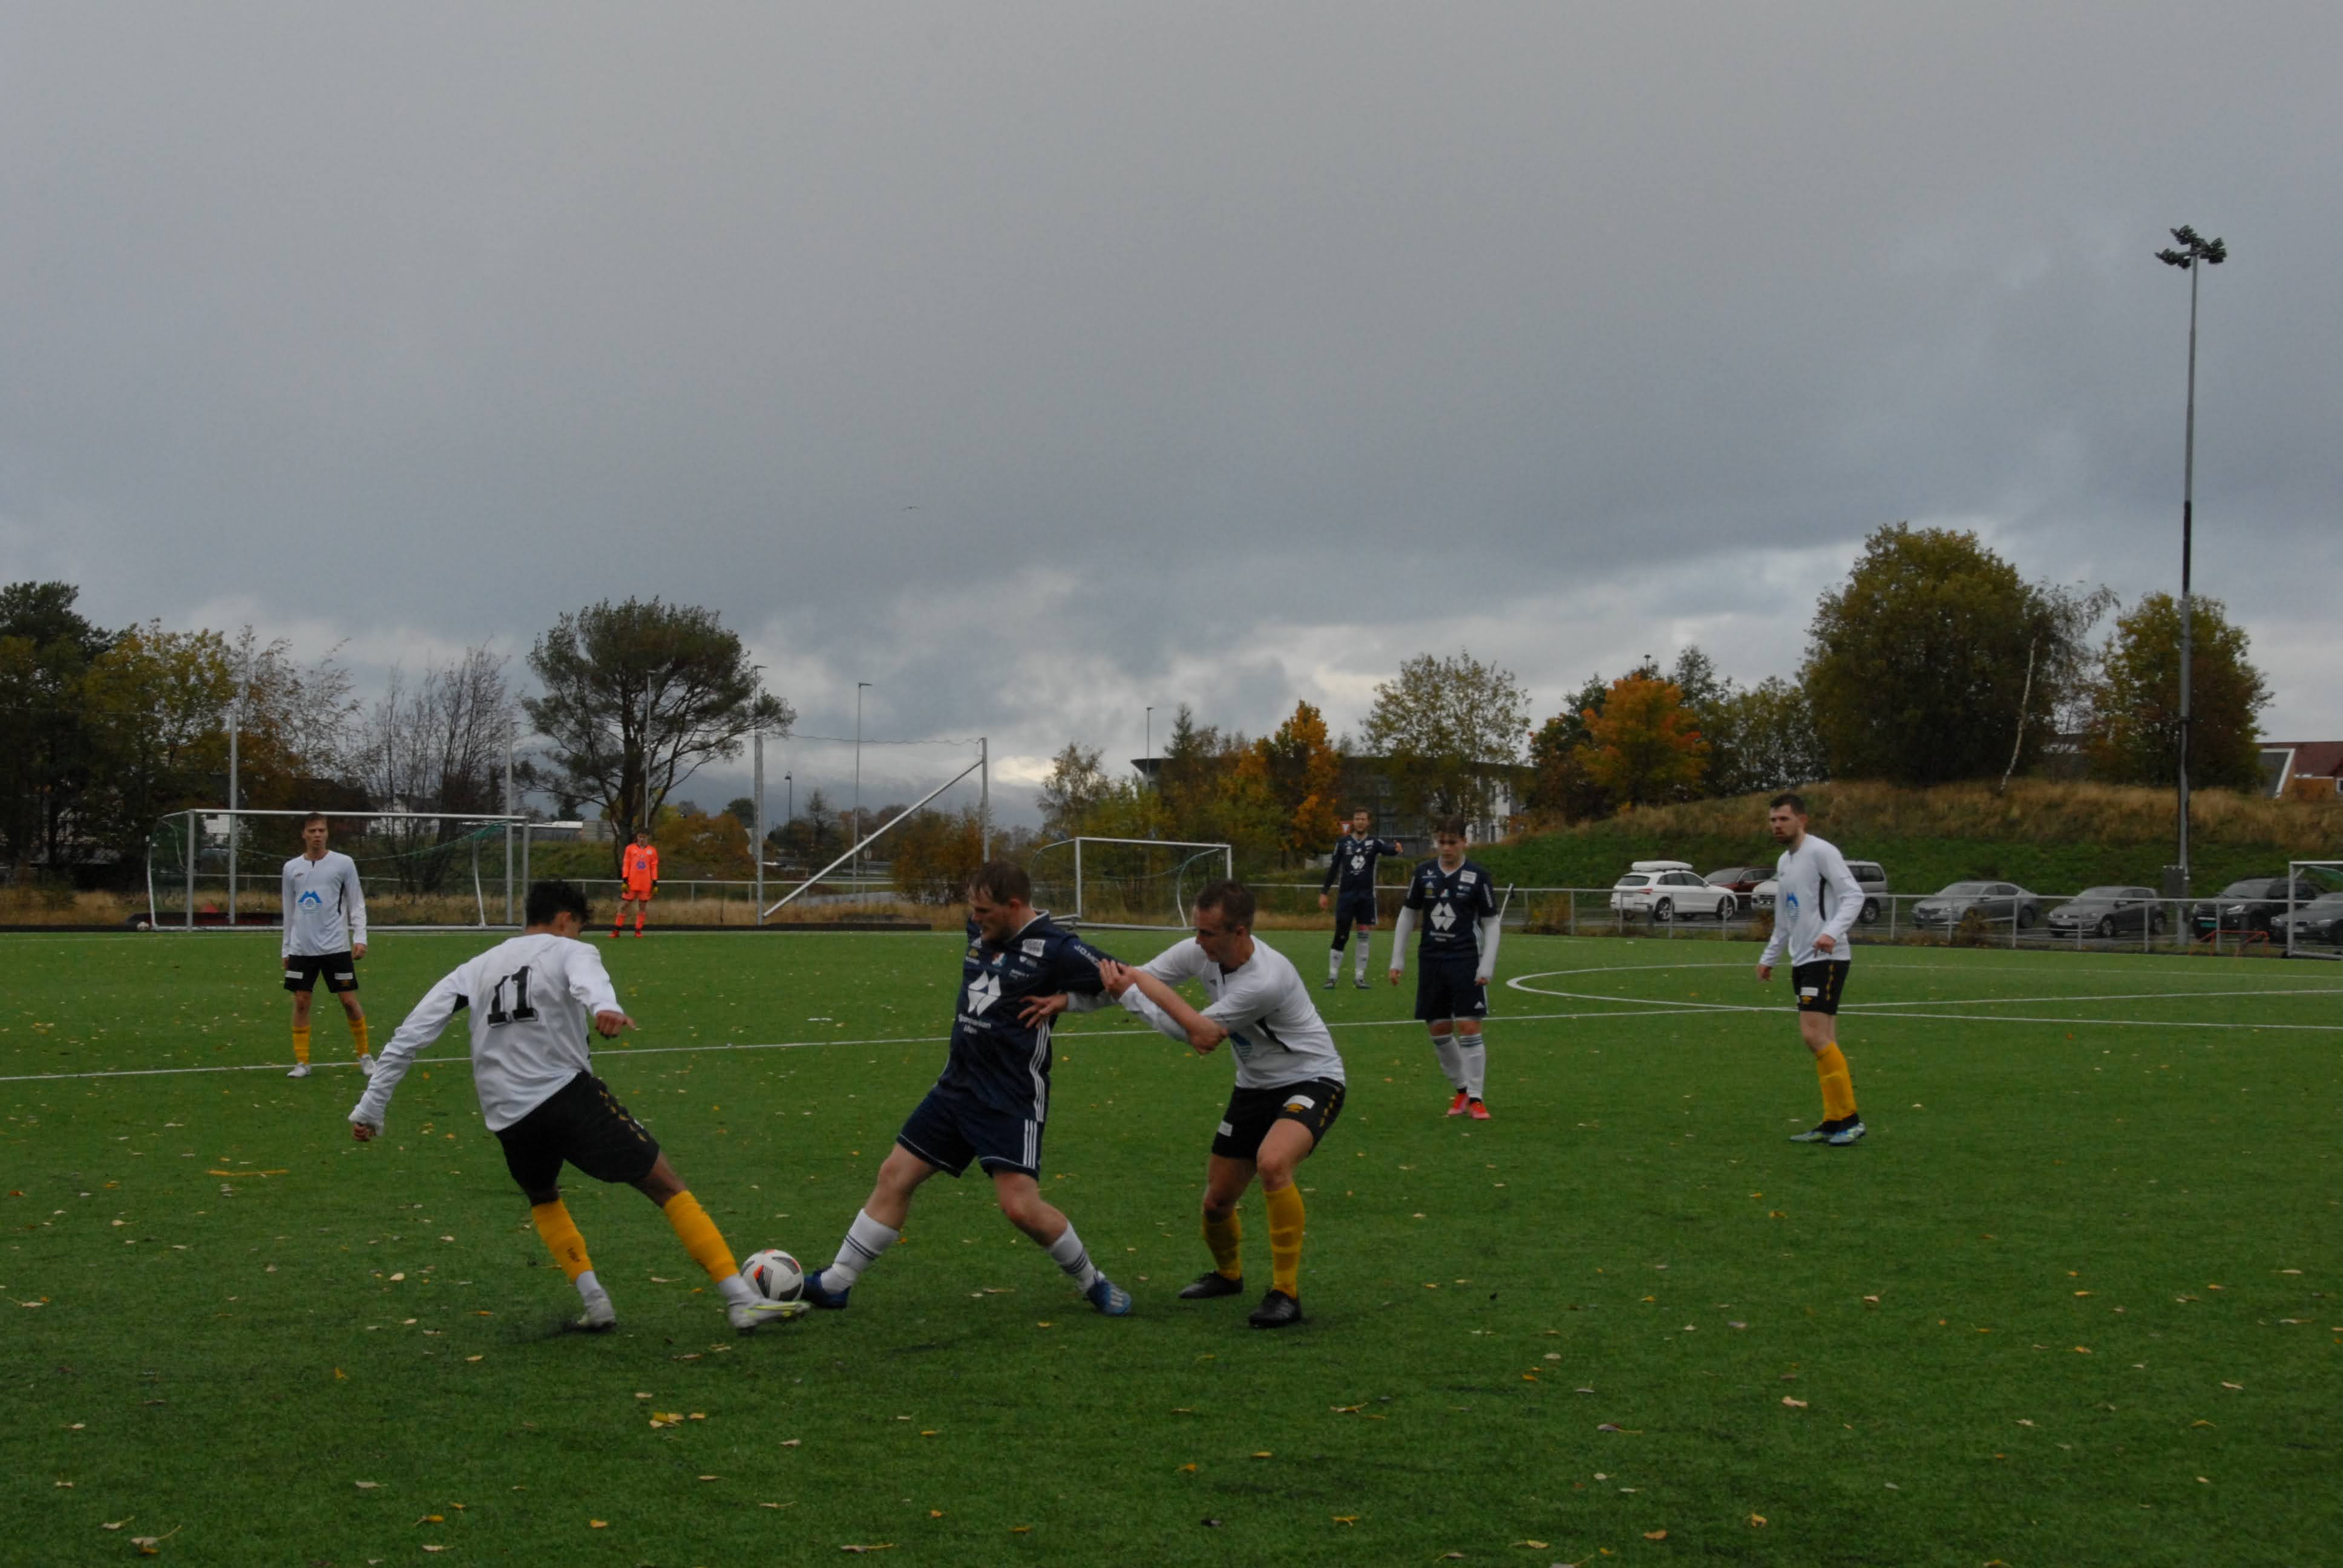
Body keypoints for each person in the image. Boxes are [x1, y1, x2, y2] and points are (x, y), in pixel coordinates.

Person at [346, 878, 797, 1333]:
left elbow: (408, 1037)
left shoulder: (475, 968)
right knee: (665, 1184)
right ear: (565, 920)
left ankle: (595, 1301)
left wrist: (370, 1109)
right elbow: (589, 982)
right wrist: (605, 1007)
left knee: (543, 1196)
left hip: (507, 1115)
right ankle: (740, 1299)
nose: (579, 936)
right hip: (564, 1094)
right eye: (579, 927)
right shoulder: (568, 950)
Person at [799, 861, 1133, 1316]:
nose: (974, 919)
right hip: (955, 1087)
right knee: (895, 1175)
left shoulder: (1061, 950)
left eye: (984, 911)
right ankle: (837, 1283)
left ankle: (1093, 1281)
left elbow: (1123, 981)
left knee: (1019, 1208)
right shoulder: (980, 931)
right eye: (972, 910)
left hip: (1010, 1099)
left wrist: (1066, 1000)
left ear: (1013, 905)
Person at [1092, 880, 1346, 1330]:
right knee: (1216, 1203)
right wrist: (1066, 999)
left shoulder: (1266, 979)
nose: (1198, 941)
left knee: (1273, 1163)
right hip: (1253, 1087)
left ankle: (1286, 1294)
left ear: (1239, 932)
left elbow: (1191, 1031)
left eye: (1208, 933)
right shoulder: (1201, 951)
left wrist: (1128, 995)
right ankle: (1229, 1276)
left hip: (1313, 1078)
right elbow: (1138, 975)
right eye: (1197, 929)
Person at [1754, 792, 1867, 1145]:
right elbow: (1785, 916)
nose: (1777, 825)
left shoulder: (1821, 851)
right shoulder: (1784, 862)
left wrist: (1831, 933)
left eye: (1783, 819)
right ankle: (1834, 1120)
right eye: (1773, 820)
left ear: (1802, 820)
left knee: (1812, 1035)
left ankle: (1851, 1120)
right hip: (1802, 958)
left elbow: (1854, 895)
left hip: (1827, 957)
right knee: (1823, 1040)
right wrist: (1770, 956)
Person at [1388, 817, 1502, 1119]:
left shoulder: (1478, 876)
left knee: (1469, 1026)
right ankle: (1462, 1090)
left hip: (1466, 959)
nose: (1447, 848)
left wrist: (1487, 964)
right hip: (1431, 960)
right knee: (1438, 1029)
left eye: (1453, 842)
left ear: (1464, 842)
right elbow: (1408, 914)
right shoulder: (1423, 873)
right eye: (1442, 842)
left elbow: (1491, 922)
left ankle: (1477, 1097)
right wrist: (1397, 959)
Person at [281, 812, 370, 1080]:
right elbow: (289, 910)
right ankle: (302, 1062)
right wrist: (286, 948)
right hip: (302, 948)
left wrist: (361, 937)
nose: (317, 835)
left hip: (336, 947)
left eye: (321, 830)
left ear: (327, 833)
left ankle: (365, 1057)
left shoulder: (344, 864)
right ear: (304, 835)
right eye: (312, 831)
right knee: (301, 1002)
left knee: (349, 1002)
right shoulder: (291, 868)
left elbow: (356, 902)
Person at [1318, 808, 1404, 990]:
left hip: (1366, 898)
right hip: (1346, 897)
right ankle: (1332, 977)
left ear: (1368, 822)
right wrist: (1324, 892)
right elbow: (1333, 869)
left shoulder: (1374, 843)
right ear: (1353, 821)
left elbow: (1388, 850)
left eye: (1363, 819)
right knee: (1341, 935)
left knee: (1364, 935)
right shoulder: (1343, 843)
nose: (1360, 822)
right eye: (1357, 819)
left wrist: (1396, 849)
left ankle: (1359, 978)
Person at [614, 828, 658, 938]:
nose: (642, 839)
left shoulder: (652, 851)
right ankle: (617, 930)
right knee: (624, 905)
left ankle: (638, 931)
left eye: (644, 837)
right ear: (637, 837)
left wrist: (655, 882)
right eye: (640, 837)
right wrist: (625, 880)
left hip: (645, 884)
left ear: (648, 838)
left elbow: (654, 867)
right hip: (631, 883)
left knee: (642, 907)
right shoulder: (630, 849)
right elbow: (626, 864)